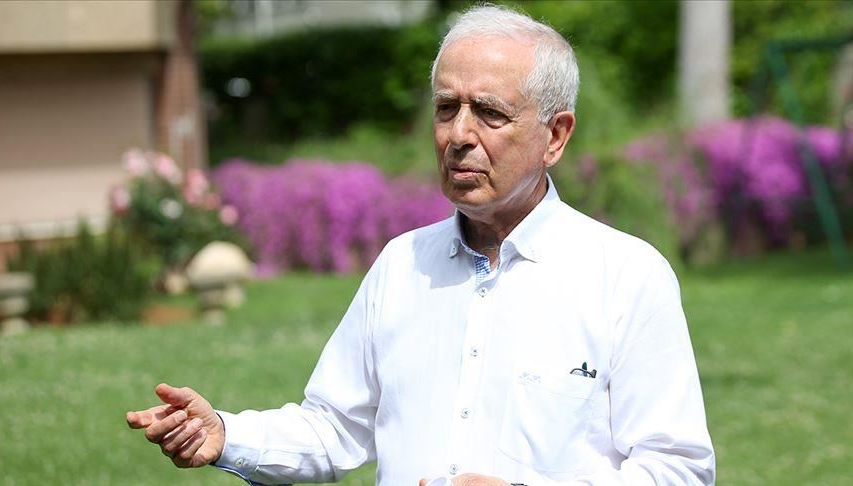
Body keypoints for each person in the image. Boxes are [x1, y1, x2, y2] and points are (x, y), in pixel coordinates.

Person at [127, 5, 715, 485]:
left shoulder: (625, 275)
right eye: (446, 108)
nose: (459, 135)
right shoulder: (400, 265)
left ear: (555, 137)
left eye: (489, 113)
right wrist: (227, 434)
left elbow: (678, 470)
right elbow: (335, 427)